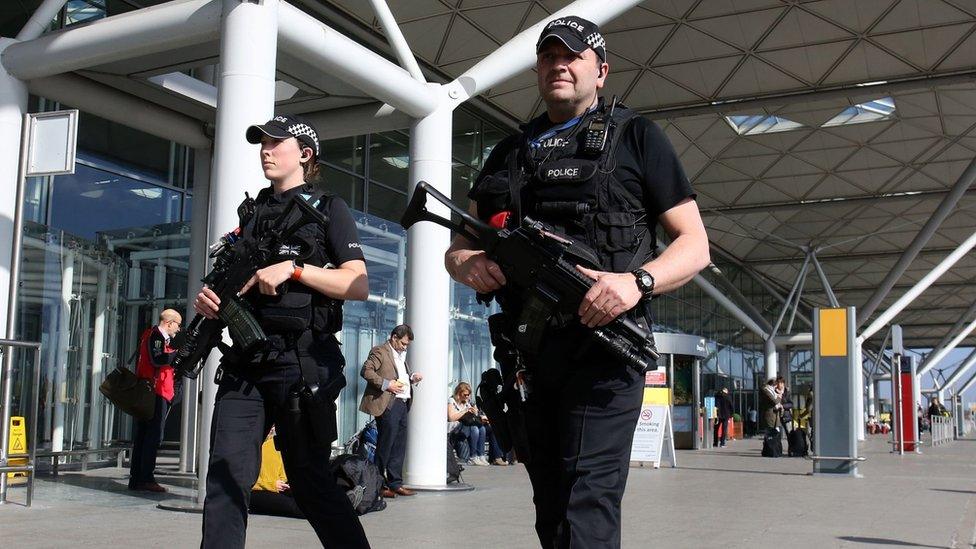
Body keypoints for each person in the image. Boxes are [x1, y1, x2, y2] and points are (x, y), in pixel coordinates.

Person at [444, 16, 709, 548]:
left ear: (601, 70)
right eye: (548, 56)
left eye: (573, 55)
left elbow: (694, 245)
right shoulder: (509, 152)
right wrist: (466, 263)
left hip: (606, 350)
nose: (558, 65)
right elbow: (460, 244)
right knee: (552, 509)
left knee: (588, 504)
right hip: (532, 356)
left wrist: (636, 282)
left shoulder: (635, 136)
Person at [194, 114, 370, 548]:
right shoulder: (251, 216)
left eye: (276, 143)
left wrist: (295, 269)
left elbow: (357, 283)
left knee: (309, 481)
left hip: (301, 365)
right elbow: (228, 281)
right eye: (262, 144)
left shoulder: (330, 209)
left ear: (305, 154)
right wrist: (209, 301)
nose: (266, 151)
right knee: (225, 476)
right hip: (246, 365)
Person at [359, 325, 423, 498]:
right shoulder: (380, 351)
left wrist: (411, 378)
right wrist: (387, 384)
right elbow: (366, 371)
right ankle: (378, 484)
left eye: (407, 345)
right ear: (394, 337)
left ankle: (395, 483)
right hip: (389, 403)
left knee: (399, 445)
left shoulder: (400, 355)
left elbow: (398, 376)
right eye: (403, 343)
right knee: (385, 444)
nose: (405, 347)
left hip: (402, 403)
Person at [128, 308, 182, 493]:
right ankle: (145, 478)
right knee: (153, 436)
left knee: (144, 435)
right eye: (178, 325)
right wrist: (178, 353)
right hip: (156, 392)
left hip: (152, 391)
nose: (178, 330)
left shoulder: (151, 335)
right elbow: (158, 359)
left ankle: (138, 478)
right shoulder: (157, 336)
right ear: (169, 323)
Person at [250, 427, 304, 519]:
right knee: (293, 507)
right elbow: (244, 481)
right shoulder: (250, 447)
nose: (271, 429)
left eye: (273, 426)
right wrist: (272, 485)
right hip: (255, 492)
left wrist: (285, 483)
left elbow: (282, 473)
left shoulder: (275, 444)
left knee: (305, 499)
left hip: (276, 489)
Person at [447, 382, 489, 466]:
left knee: (482, 428)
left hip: (465, 427)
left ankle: (481, 455)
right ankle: (472, 457)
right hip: (455, 428)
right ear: (459, 393)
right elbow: (451, 418)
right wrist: (465, 411)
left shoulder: (466, 402)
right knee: (474, 429)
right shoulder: (451, 401)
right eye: (465, 394)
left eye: (468, 395)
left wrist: (476, 413)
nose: (467, 397)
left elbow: (472, 419)